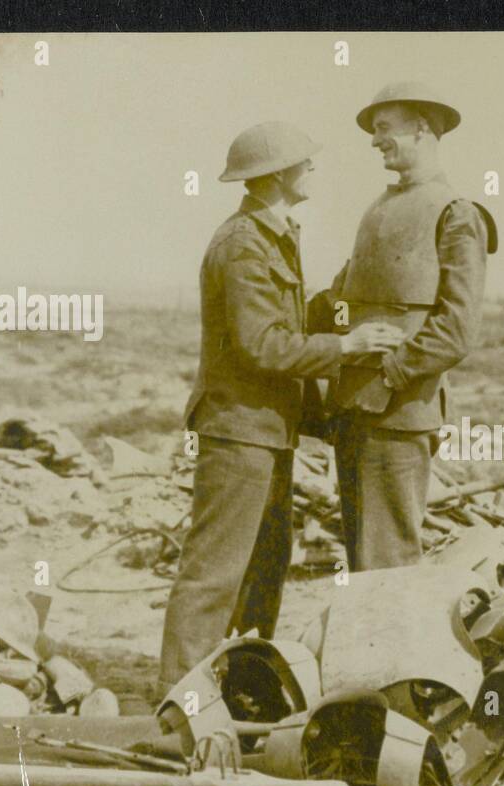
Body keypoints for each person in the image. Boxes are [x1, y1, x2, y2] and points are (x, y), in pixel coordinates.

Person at [159, 121, 401, 693]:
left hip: (266, 431)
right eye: (304, 163)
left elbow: (284, 325)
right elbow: (261, 345)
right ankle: (179, 707)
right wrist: (347, 346)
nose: (312, 170)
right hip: (239, 431)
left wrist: (341, 295)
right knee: (215, 574)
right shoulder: (243, 243)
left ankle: (238, 691)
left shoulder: (273, 234)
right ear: (277, 174)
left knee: (263, 569)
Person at [327, 82, 497, 571]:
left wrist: (389, 377)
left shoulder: (457, 214)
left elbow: (457, 328)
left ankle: (397, 650)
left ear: (421, 128)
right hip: (353, 409)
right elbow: (341, 303)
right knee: (364, 557)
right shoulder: (377, 208)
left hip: (399, 414)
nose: (375, 141)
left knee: (389, 560)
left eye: (384, 128)